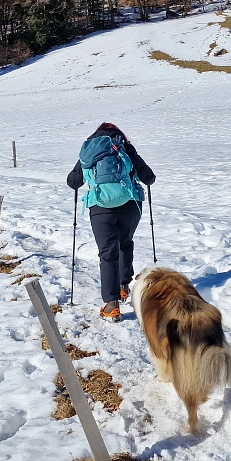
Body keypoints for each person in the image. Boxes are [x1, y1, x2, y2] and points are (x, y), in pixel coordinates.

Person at [67, 123, 155, 321]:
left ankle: (112, 305)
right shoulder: (124, 147)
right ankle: (124, 286)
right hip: (130, 205)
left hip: (101, 208)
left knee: (108, 254)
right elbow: (148, 177)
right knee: (125, 243)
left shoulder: (90, 151)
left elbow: (73, 181)